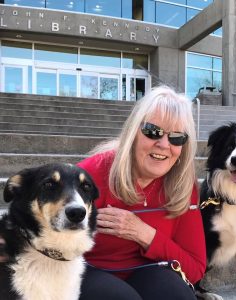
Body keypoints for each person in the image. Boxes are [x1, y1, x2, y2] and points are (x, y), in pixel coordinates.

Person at [77, 85, 206, 300]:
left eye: (176, 137)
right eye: (152, 131)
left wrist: (143, 233)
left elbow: (194, 269)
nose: (164, 144)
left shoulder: (182, 184)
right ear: (133, 133)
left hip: (147, 273)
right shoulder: (92, 174)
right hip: (89, 270)